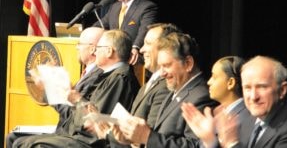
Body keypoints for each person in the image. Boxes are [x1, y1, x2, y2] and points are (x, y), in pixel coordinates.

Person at [12, 29, 141, 148]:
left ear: (109, 51)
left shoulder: (120, 78)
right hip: (77, 135)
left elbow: (94, 122)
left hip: (90, 142)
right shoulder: (110, 75)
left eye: (99, 48)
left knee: (27, 145)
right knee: (18, 141)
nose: (95, 52)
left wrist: (77, 99)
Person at [111, 32, 218, 148]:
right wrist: (135, 140)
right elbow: (159, 136)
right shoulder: (175, 91)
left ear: (188, 63)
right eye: (160, 66)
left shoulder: (202, 97)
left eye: (166, 65)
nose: (161, 73)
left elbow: (195, 145)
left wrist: (147, 137)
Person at [6, 26, 105, 148]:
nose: (76, 47)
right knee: (12, 137)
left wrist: (50, 88)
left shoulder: (97, 76)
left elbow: (73, 113)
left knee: (20, 142)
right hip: (65, 130)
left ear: (92, 49)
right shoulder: (89, 72)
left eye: (79, 43)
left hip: (73, 136)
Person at [91, 23, 181, 148]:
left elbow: (145, 140)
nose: (142, 49)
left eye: (148, 43)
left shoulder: (166, 87)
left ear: (165, 48)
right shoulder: (146, 86)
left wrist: (107, 133)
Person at [217, 55, 287, 147]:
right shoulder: (249, 116)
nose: (253, 97)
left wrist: (231, 143)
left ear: (282, 90)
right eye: (247, 88)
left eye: (262, 87)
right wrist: (210, 141)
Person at [181, 56, 251, 148]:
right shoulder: (214, 114)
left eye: (214, 77)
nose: (209, 82)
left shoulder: (247, 117)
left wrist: (211, 141)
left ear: (230, 83)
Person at [93, 0, 159, 65]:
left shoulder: (147, 7)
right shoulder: (114, 7)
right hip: (111, 58)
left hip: (132, 59)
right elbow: (100, 25)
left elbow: (145, 30)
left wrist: (135, 47)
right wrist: (89, 35)